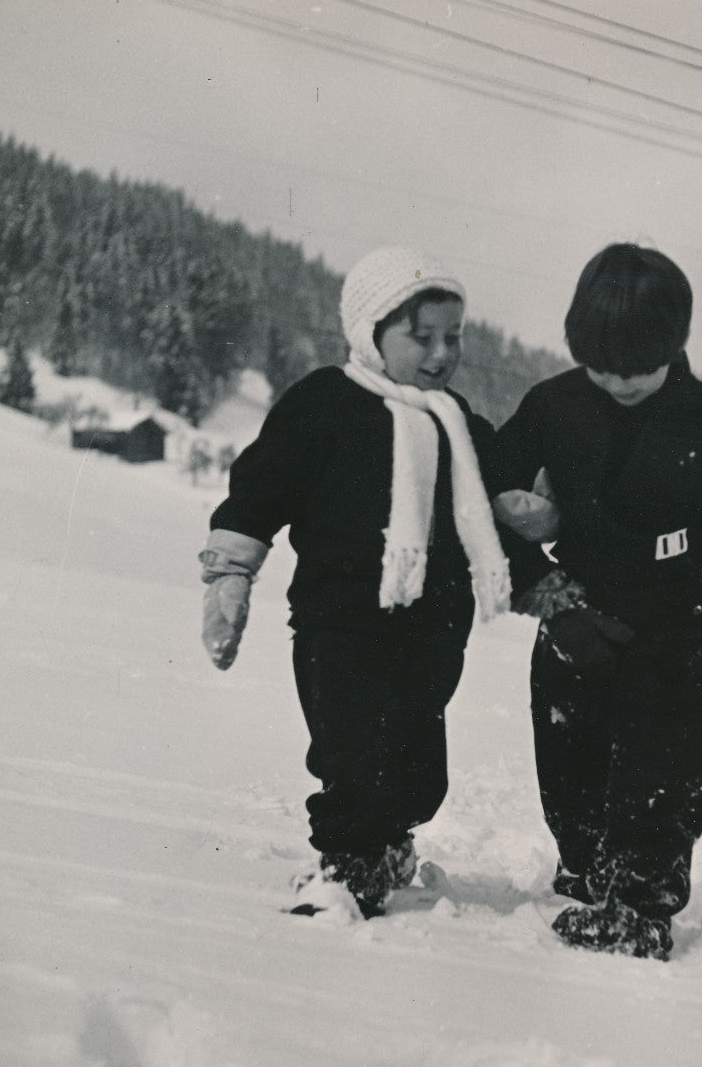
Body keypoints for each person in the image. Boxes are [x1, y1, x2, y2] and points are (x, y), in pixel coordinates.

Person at [198, 246, 547, 920]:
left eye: (454, 337)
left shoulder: (457, 422)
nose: (441, 354)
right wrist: (231, 571)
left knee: (418, 767)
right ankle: (343, 866)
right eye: (421, 338)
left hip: (433, 626)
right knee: (351, 749)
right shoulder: (323, 405)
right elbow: (260, 489)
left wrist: (530, 530)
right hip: (339, 621)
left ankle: (389, 841)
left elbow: (493, 499)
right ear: (369, 331)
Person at [492, 242, 702, 961]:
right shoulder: (552, 407)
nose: (616, 381)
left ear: (675, 344)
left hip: (666, 625)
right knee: (569, 765)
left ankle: (638, 903)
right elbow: (482, 503)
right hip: (572, 618)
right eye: (600, 367)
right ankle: (584, 871)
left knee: (662, 769)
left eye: (636, 369)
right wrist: (546, 596)